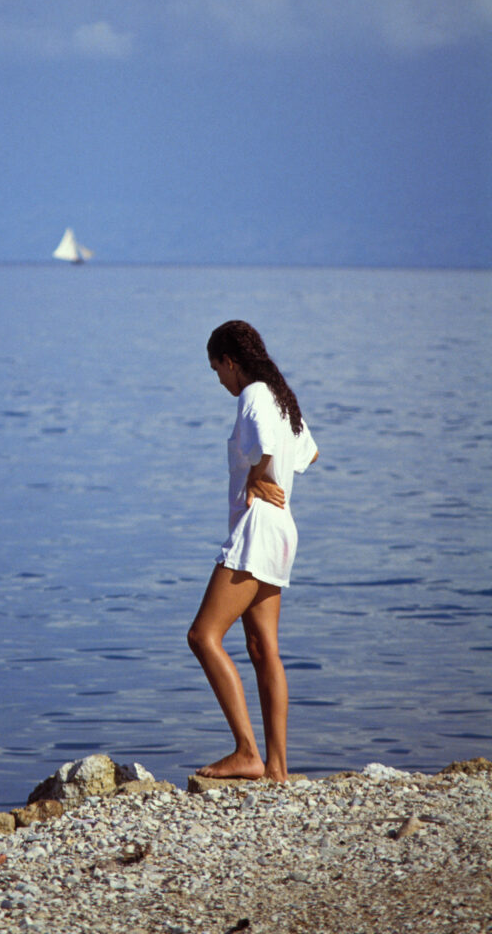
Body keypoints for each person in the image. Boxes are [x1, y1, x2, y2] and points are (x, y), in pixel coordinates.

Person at [187, 320, 318, 782]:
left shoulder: (254, 395)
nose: (218, 379)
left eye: (216, 369)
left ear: (230, 361)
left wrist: (257, 474)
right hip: (283, 531)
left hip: (258, 528)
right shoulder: (282, 398)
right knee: (264, 648)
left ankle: (247, 752)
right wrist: (271, 472)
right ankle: (277, 768)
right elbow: (310, 454)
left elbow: (264, 443)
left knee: (203, 637)